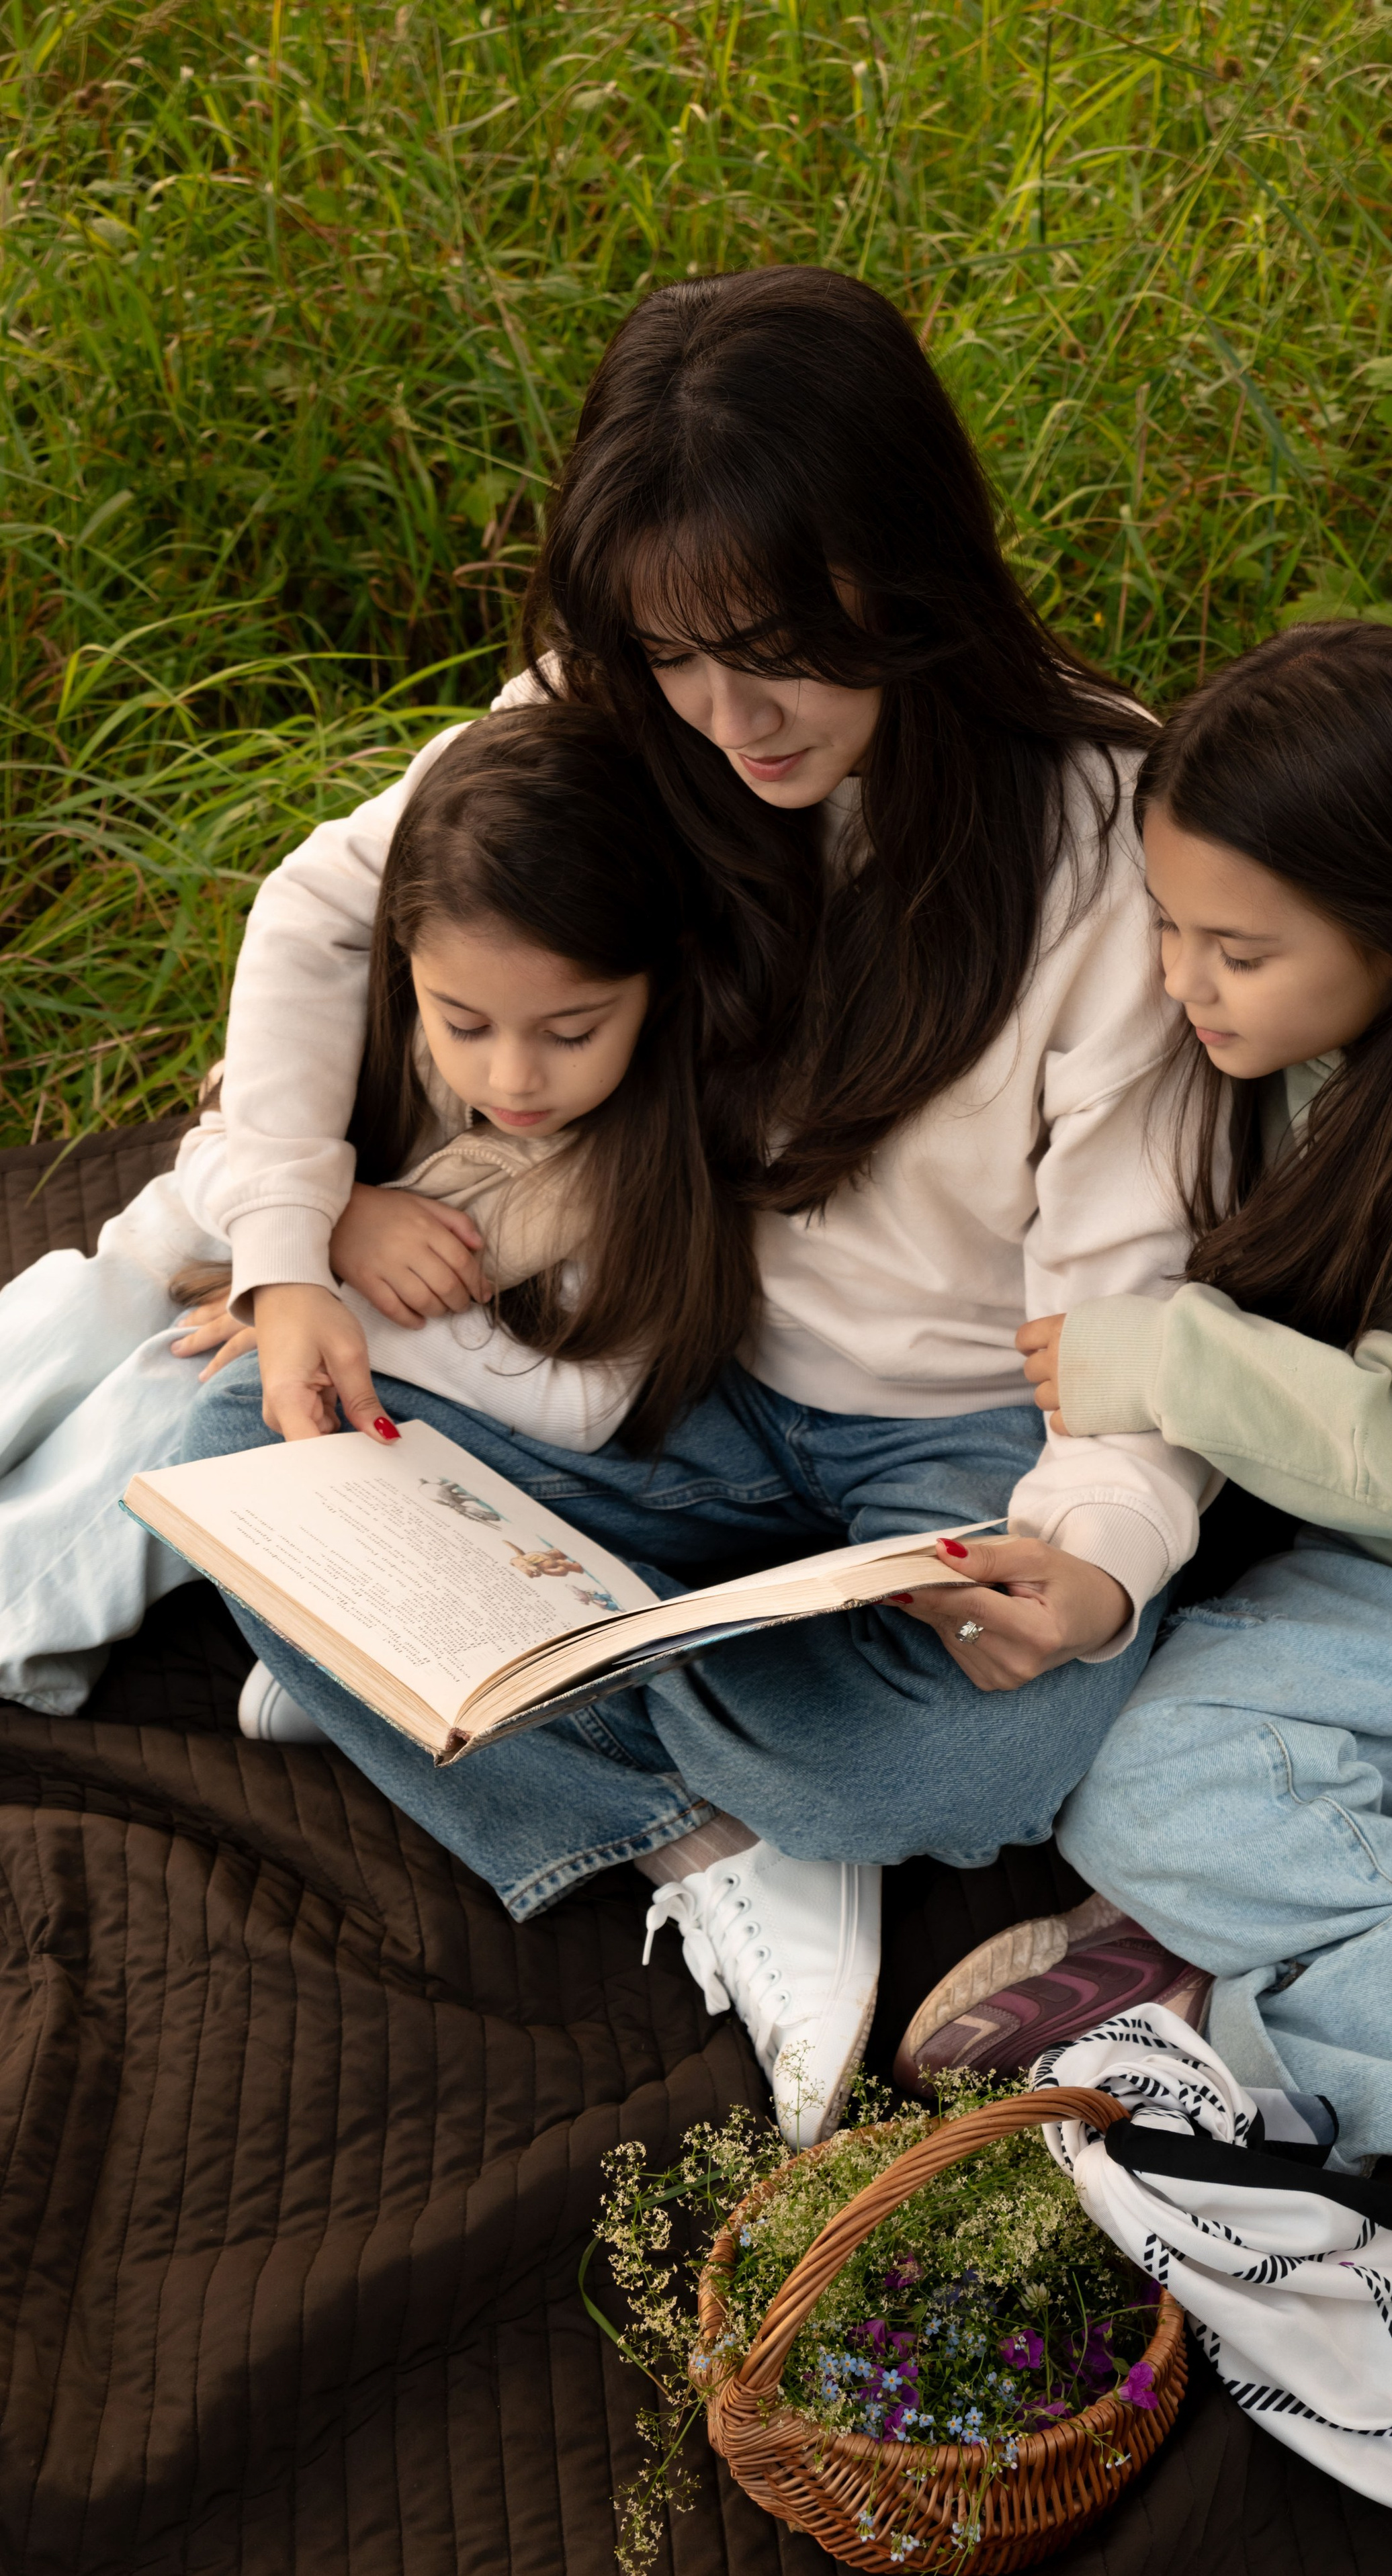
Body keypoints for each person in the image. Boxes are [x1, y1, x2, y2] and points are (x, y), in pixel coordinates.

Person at [174, 265, 1214, 2145]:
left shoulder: (1092, 840)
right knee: (231, 1435)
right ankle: (699, 1827)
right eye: (670, 652)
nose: (733, 714)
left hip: (955, 1445)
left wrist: (1101, 1550)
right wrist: (283, 1251)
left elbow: (1134, 1286)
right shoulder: (618, 720)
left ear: (905, 568)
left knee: (989, 1728)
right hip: (671, 1370)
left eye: (778, 646)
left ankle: (435, 1685)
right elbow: (325, 910)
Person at [897, 619, 1392, 2233]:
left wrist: (1170, 1359)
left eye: (1234, 948)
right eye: (1165, 924)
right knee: (1131, 1785)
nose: (1174, 981)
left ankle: (1211, 2018)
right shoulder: (1304, 1030)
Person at [0, 703, 722, 1728]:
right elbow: (216, 1144)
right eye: (464, 1023)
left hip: (353, 1362)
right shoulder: (381, 1041)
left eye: (570, 1032)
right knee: (87, 1302)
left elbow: (583, 1400)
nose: (511, 1073)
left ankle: (14, 1628)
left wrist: (313, 1304)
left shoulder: (639, 1169)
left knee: (178, 1387)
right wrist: (319, 1226)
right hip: (234, 1252)